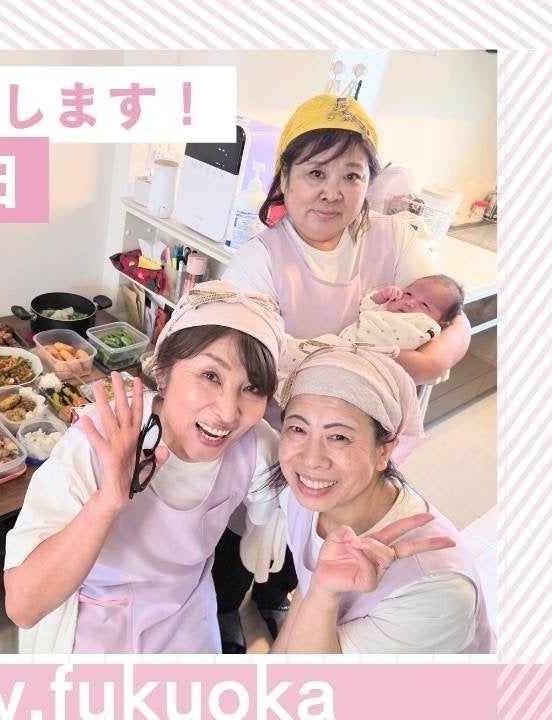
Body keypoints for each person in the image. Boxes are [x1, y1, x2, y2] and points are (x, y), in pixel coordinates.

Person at [216, 94, 473, 651]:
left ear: (368, 183)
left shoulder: (392, 237)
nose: (332, 192)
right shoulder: (260, 260)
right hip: (282, 434)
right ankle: (227, 608)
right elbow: (241, 356)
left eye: (351, 176)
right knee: (246, 528)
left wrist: (427, 360)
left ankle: (283, 598)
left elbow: (453, 317)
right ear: (284, 178)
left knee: (324, 527)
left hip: (355, 440)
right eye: (315, 173)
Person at [3, 282, 285, 653]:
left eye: (252, 388)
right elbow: (23, 606)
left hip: (188, 623)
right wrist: (107, 503)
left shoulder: (254, 445)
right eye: (210, 376)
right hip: (97, 628)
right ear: (163, 371)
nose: (228, 412)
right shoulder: (98, 441)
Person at [268, 346, 493, 653]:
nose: (310, 460)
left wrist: (323, 596)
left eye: (339, 437)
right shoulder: (304, 497)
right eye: (297, 429)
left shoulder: (436, 594)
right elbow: (306, 593)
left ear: (384, 450)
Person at [275, 275, 466, 402]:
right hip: (338, 345)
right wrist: (381, 297)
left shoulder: (424, 326)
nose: (409, 302)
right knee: (295, 350)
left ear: (442, 323)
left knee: (313, 374)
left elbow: (435, 363)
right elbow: (366, 307)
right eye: (408, 293)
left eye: (424, 305)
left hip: (357, 362)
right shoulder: (387, 308)